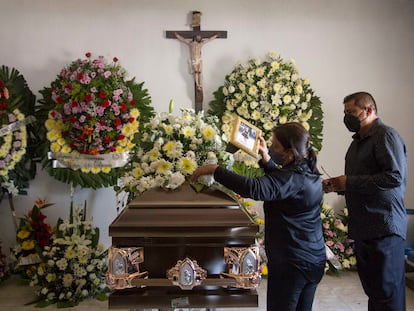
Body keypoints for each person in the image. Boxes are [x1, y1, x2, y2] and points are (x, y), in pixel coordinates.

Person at [191, 122, 326, 311]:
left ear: (290, 153)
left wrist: (215, 170)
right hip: (313, 258)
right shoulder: (308, 172)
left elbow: (253, 188)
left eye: (275, 145)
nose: (271, 147)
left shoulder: (291, 178)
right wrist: (266, 158)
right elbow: (283, 185)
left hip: (292, 262)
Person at [323, 92, 408, 311]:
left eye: (350, 112)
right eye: (344, 113)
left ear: (368, 110)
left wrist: (349, 182)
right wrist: (339, 186)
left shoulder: (385, 135)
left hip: (384, 227)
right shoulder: (357, 143)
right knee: (375, 294)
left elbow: (394, 177)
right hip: (364, 229)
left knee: (387, 295)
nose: (346, 117)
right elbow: (364, 183)